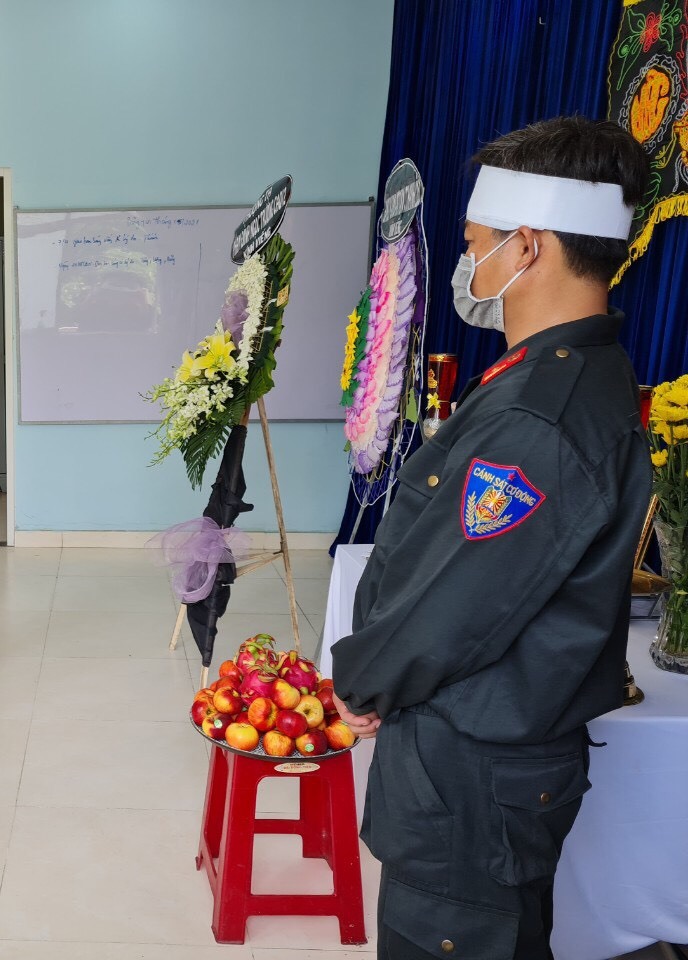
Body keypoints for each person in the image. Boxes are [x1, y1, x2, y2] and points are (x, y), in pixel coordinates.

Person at [330, 116, 652, 960]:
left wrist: (361, 679)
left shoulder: (542, 419)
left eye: (477, 245)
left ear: (530, 247)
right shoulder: (558, 378)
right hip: (486, 769)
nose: (469, 266)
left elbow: (453, 605)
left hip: (472, 777)